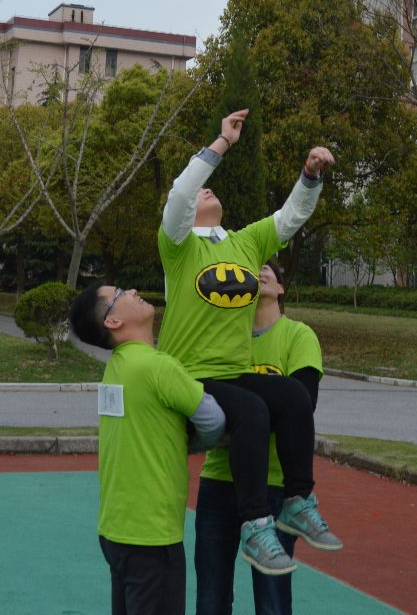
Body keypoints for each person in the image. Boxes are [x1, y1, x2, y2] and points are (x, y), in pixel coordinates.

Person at [158, 110, 341, 575]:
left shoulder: (245, 243)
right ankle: (255, 524)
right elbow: (180, 194)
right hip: (189, 376)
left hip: (233, 375)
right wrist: (221, 143)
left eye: (208, 188)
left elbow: (291, 216)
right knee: (253, 411)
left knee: (293, 396)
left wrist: (310, 176)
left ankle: (297, 500)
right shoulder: (178, 246)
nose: (206, 191)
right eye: (201, 190)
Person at [70, 282, 226, 615]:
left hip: (116, 528)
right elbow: (214, 419)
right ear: (113, 322)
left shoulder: (116, 367)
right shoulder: (158, 367)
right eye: (119, 293)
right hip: (152, 535)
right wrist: (194, 443)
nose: (132, 290)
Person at [195, 262, 324, 615]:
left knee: (272, 602)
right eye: (254, 269)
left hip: (274, 484)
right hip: (219, 479)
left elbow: (302, 407)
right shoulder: (225, 341)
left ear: (281, 288)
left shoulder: (298, 336)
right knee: (211, 597)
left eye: (268, 269)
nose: (261, 272)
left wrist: (240, 421)